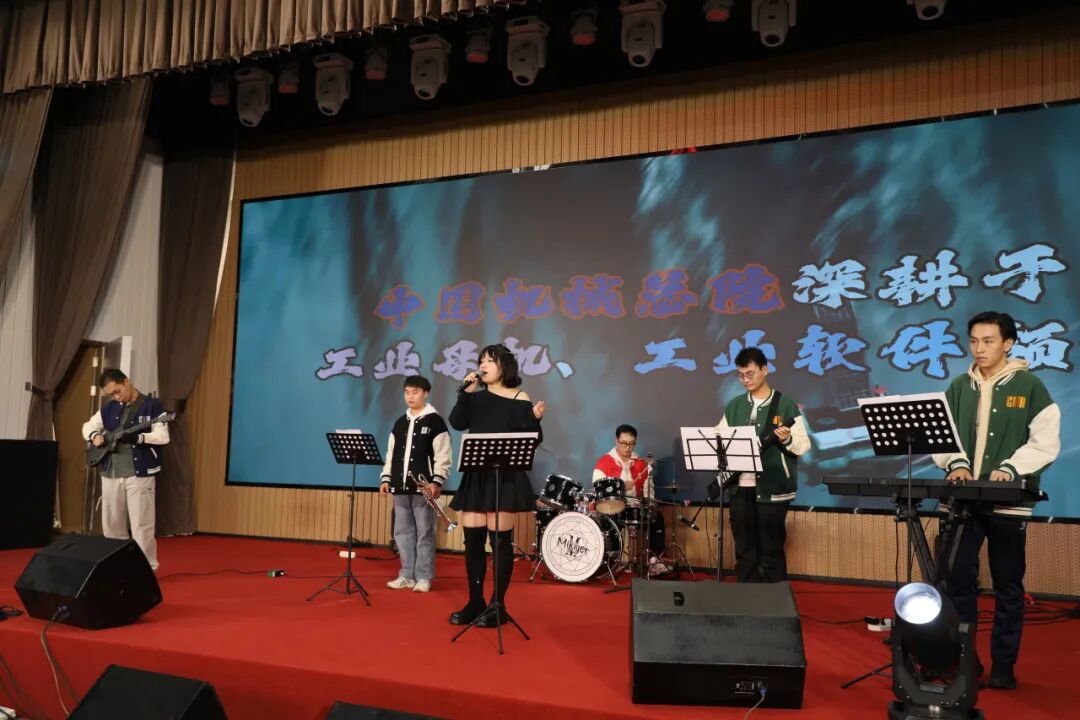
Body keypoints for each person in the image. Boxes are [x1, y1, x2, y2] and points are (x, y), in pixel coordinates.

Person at [932, 311, 1060, 690]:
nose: (979, 348)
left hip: (1008, 503)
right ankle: (963, 661)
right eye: (974, 341)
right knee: (956, 582)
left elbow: (1044, 442)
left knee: (1008, 585)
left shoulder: (1030, 386)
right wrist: (955, 463)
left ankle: (1004, 665)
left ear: (1008, 343)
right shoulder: (959, 386)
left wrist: (1010, 467)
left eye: (988, 341)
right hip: (962, 501)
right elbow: (943, 435)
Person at [448, 344, 545, 627]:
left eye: (490, 361)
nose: (483, 365)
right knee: (473, 541)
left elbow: (533, 439)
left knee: (500, 542)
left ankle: (497, 605)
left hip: (505, 477)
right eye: (481, 361)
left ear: (504, 366)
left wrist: (536, 419)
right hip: (477, 476)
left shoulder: (519, 397)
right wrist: (465, 392)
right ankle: (475, 602)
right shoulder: (475, 397)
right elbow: (457, 422)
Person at [714, 347, 810, 583]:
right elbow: (719, 437)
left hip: (772, 488)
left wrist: (787, 439)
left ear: (764, 370)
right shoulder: (735, 405)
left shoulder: (785, 405)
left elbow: (803, 445)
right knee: (744, 548)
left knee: (771, 548)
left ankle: (776, 599)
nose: (745, 380)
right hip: (740, 486)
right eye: (740, 375)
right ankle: (748, 596)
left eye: (750, 374)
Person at [81, 369, 170, 570]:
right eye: (111, 394)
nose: (116, 396)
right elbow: (87, 426)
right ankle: (117, 566)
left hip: (139, 473)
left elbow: (163, 437)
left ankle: (146, 568)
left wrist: (140, 437)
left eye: (118, 391)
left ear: (127, 382)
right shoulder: (110, 407)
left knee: (141, 524)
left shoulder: (152, 406)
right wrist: (95, 436)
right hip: (110, 472)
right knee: (112, 524)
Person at [379, 375, 452, 593]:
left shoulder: (435, 421)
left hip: (424, 489)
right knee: (402, 533)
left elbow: (443, 454)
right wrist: (386, 478)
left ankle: (423, 576)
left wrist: (437, 481)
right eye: (407, 392)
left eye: (415, 392)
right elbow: (391, 454)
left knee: (425, 533)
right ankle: (406, 575)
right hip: (400, 487)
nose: (410, 396)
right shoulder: (400, 423)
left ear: (426, 393)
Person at [592, 424, 668, 575]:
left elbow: (648, 489)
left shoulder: (640, 463)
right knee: (609, 521)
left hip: (633, 507)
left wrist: (648, 502)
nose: (627, 448)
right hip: (611, 507)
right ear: (616, 441)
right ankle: (611, 561)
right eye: (624, 443)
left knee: (656, 518)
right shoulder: (604, 462)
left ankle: (655, 561)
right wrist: (621, 488)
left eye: (631, 444)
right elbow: (598, 490)